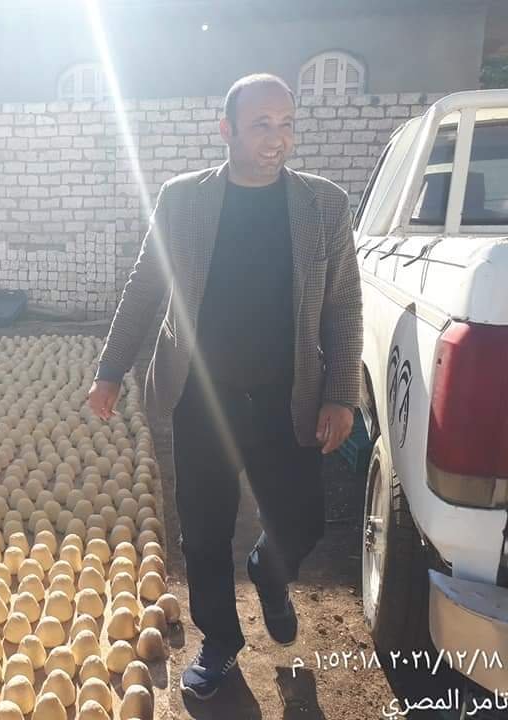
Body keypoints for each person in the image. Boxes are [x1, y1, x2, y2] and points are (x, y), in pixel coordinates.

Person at [88, 73, 362, 700]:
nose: (277, 138)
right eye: (262, 124)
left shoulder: (323, 204)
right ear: (227, 130)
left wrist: (340, 394)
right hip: (201, 395)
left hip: (287, 396)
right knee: (205, 526)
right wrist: (110, 369)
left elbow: (344, 304)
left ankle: (270, 569)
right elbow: (145, 286)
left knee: (303, 521)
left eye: (286, 124)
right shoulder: (183, 199)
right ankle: (220, 642)